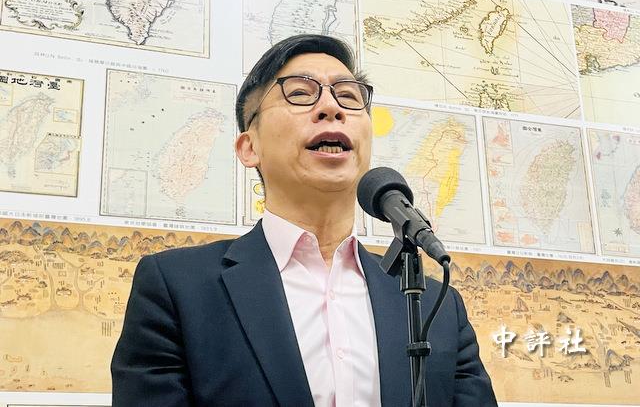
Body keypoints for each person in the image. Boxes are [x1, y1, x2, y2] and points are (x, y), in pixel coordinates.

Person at [111, 34, 497, 406]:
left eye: (349, 96)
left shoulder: (436, 306)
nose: (332, 108)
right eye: (299, 93)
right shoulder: (176, 288)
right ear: (249, 147)